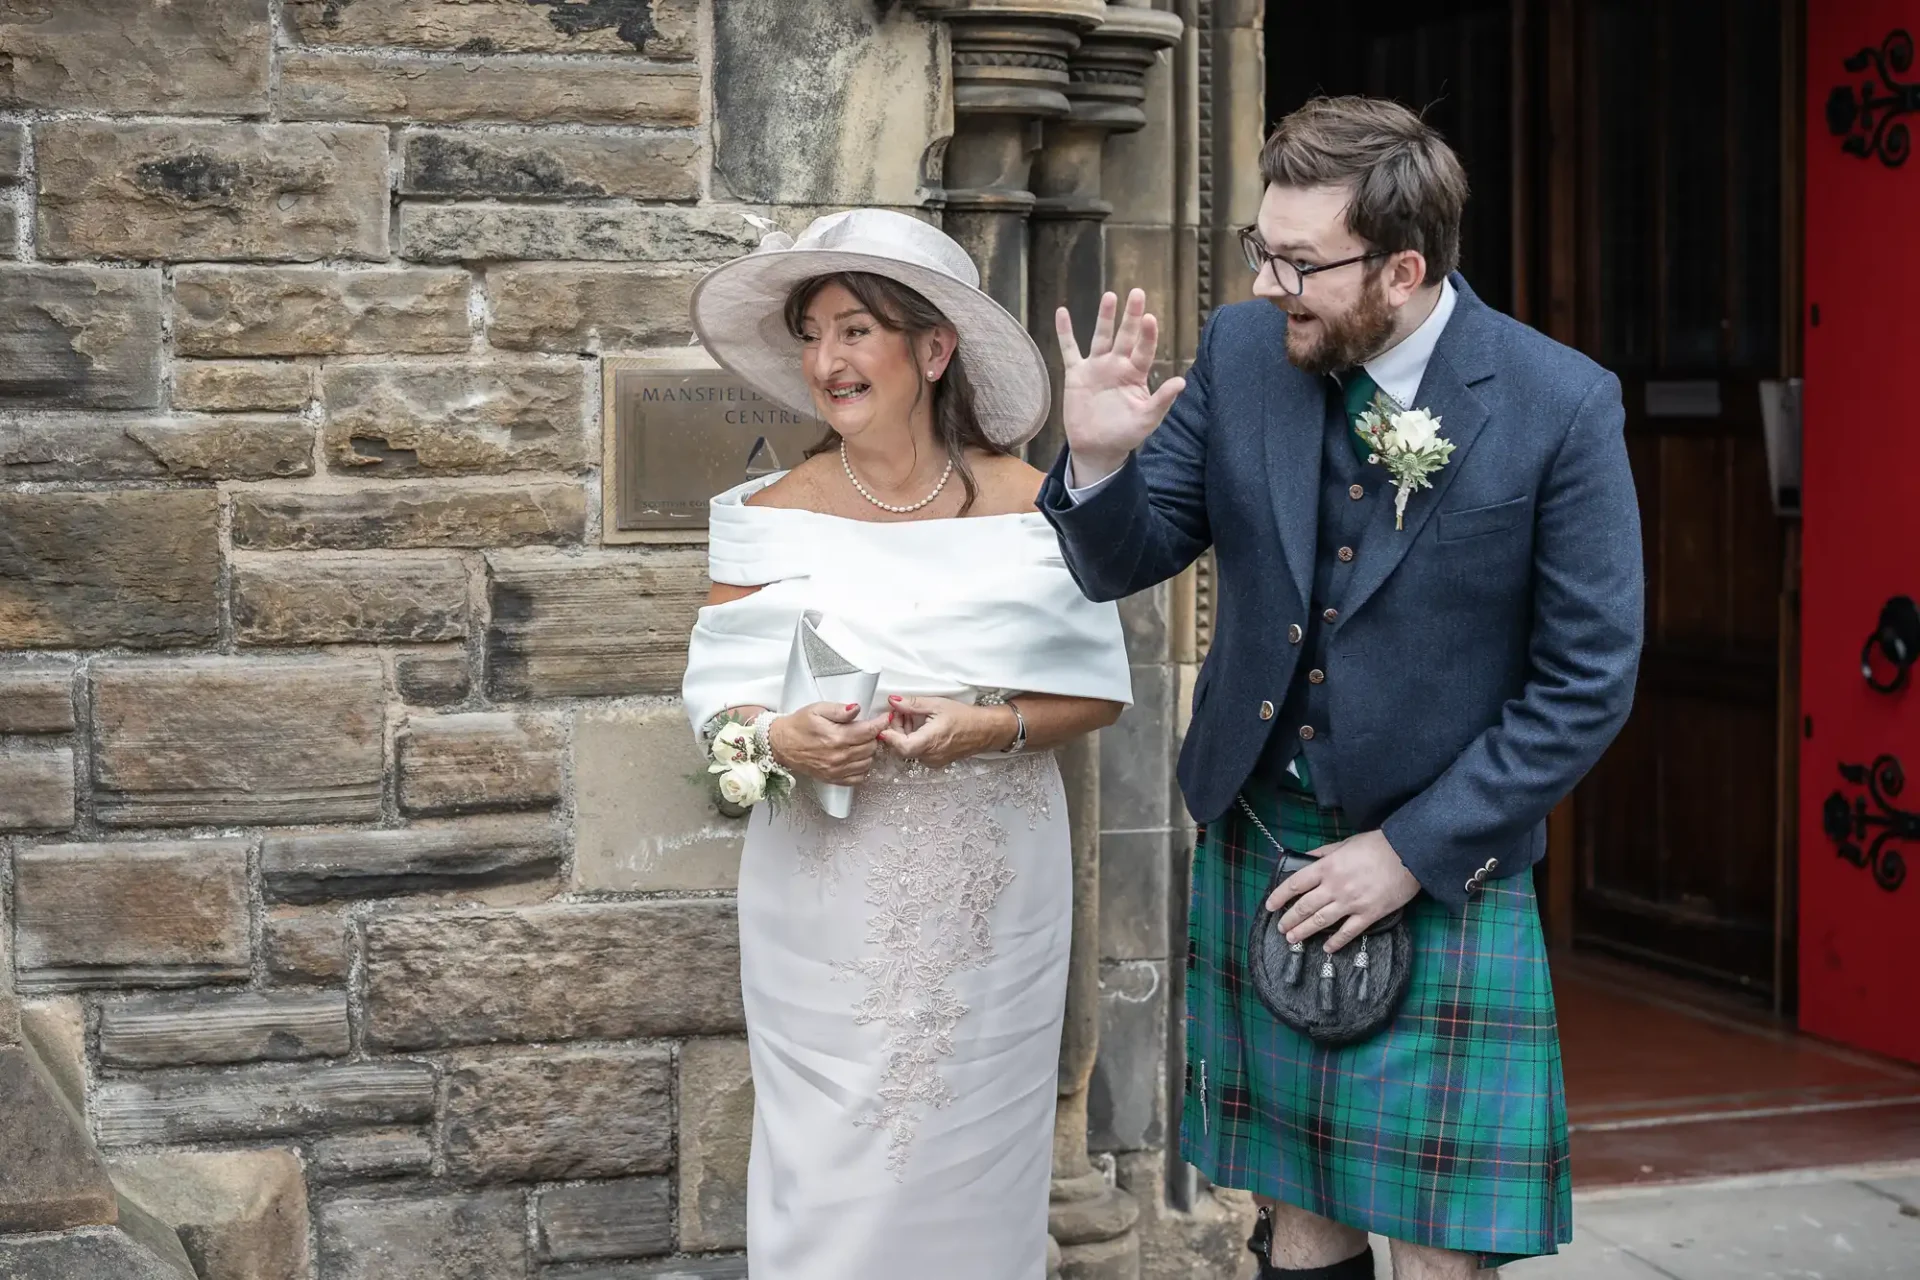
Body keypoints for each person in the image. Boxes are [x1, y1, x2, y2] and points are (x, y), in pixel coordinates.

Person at [1041, 97, 1644, 1277]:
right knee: (1301, 1220)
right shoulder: (1241, 353)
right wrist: (1101, 457)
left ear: (1405, 269)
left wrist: (1408, 849)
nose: (1270, 284)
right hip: (1267, 840)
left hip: (1441, 868)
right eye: (1260, 248)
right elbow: (1127, 555)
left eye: (1301, 263)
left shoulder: (1557, 403)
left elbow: (1588, 680)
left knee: (1436, 1250)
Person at [681, 208, 1133, 1280]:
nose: (826, 358)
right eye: (813, 332)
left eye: (854, 330)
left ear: (933, 351)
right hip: (824, 899)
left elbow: (1095, 694)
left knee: (977, 1166)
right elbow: (716, 715)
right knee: (832, 1169)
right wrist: (782, 737)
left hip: (994, 896)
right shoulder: (765, 514)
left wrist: (992, 727)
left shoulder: (1035, 505)